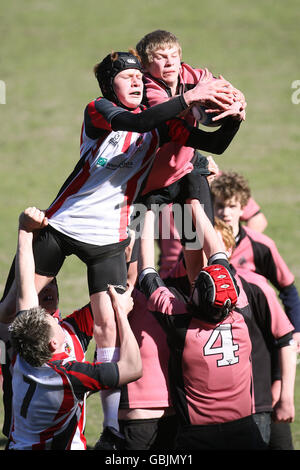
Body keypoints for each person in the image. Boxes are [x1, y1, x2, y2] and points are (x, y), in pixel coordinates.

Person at [2, 49, 244, 447]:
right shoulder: (100, 110)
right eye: (126, 77)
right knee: (12, 311)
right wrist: (190, 97)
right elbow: (136, 119)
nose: (135, 82)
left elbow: (211, 145)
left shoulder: (159, 127)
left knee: (109, 324)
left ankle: (112, 428)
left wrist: (233, 118)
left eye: (138, 77)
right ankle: (12, 410)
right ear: (108, 86)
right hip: (62, 224)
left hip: (110, 239)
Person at [3, 207, 142, 450]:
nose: (55, 318)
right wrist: (121, 313)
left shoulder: (24, 347)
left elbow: (25, 290)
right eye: (52, 321)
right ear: (53, 344)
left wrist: (25, 229)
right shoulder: (67, 377)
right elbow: (132, 368)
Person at [136, 208, 267, 450]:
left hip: (198, 437)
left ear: (194, 295)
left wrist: (148, 209)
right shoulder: (241, 314)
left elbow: (146, 273)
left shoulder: (181, 324)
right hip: (246, 431)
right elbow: (219, 254)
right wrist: (196, 203)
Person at [136, 30, 246, 282]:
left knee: (193, 244)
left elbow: (222, 88)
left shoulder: (192, 76)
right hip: (150, 182)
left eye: (174, 55)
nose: (170, 62)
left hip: (183, 170)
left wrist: (236, 101)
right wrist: (194, 99)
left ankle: (205, 288)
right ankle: (147, 288)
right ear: (146, 64)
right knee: (133, 263)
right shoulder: (147, 90)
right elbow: (170, 110)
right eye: (161, 57)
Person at [211, 171, 300, 349]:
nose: (225, 213)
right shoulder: (202, 246)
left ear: (243, 208)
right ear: (212, 206)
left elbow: (288, 289)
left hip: (259, 335)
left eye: (232, 206)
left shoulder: (261, 246)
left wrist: (297, 330)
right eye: (220, 206)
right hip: (218, 337)